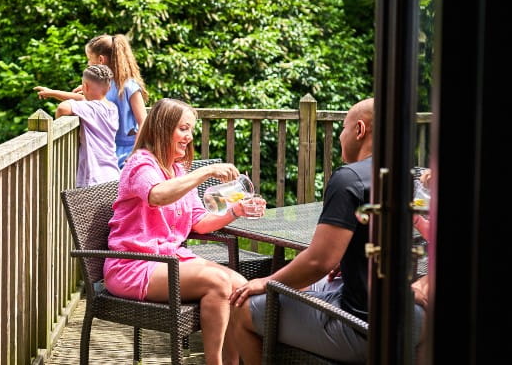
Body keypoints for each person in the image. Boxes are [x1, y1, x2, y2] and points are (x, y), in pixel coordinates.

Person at [229, 98, 426, 364]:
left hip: (362, 328)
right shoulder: (405, 175)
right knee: (308, 284)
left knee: (241, 307)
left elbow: (319, 261)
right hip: (410, 317)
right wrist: (350, 260)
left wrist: (265, 281)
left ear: (359, 130)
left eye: (343, 129)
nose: (340, 137)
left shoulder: (349, 178)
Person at [104, 97, 256, 365]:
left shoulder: (176, 170)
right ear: (162, 128)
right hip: (134, 265)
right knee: (218, 283)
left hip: (169, 260)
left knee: (240, 287)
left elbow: (199, 222)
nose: (189, 137)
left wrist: (236, 211)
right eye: (183, 129)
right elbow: (157, 196)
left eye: (191, 130)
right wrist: (206, 171)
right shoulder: (141, 164)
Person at [34, 33, 148, 168]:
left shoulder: (129, 86)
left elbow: (144, 121)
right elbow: (84, 99)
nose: (88, 63)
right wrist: (52, 93)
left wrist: (134, 154)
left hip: (128, 152)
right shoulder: (106, 84)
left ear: (100, 60)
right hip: (109, 150)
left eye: (89, 59)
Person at [42, 64, 120, 187]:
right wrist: (51, 92)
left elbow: (63, 108)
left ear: (85, 86)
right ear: (109, 87)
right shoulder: (112, 108)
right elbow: (82, 99)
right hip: (112, 174)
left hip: (94, 178)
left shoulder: (91, 109)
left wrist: (60, 126)